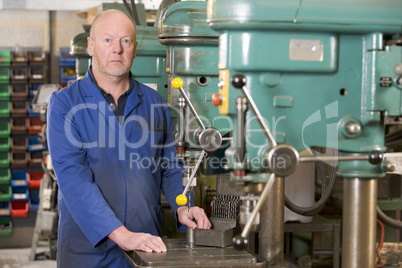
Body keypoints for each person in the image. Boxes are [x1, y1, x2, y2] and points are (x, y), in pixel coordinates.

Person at [47, 9, 211, 267]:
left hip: (145, 249)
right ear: (90, 46)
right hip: (87, 253)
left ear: (135, 48)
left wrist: (183, 206)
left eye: (125, 41)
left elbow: (169, 168)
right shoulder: (65, 104)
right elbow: (73, 180)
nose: (117, 50)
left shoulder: (155, 103)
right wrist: (122, 235)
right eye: (107, 40)